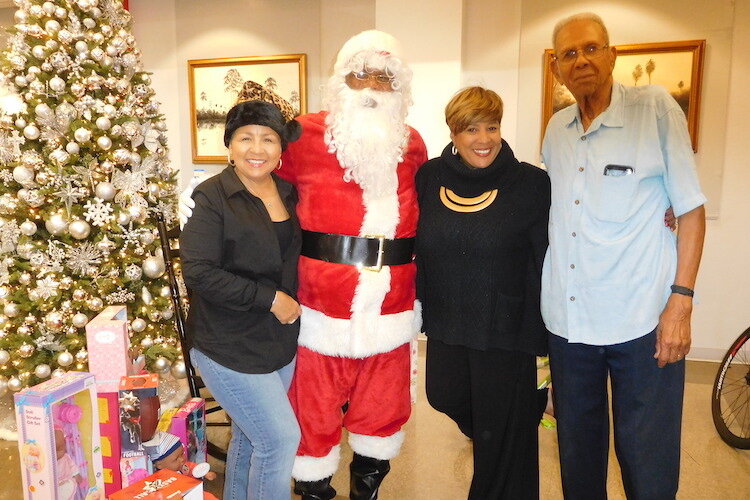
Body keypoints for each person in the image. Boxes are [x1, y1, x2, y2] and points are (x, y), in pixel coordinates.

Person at [181, 30, 426, 500]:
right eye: (359, 75)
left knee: (382, 407)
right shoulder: (305, 135)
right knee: (305, 417)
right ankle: (314, 491)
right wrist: (199, 201)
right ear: (341, 80)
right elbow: (252, 171)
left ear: (398, 88)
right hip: (315, 305)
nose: (371, 86)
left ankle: (367, 488)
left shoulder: (412, 144)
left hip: (392, 305)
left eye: (383, 77)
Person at [541, 12, 706, 499]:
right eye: (569, 54)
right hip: (569, 326)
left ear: (613, 55)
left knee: (647, 461)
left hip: (642, 321)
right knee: (578, 458)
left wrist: (681, 302)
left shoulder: (654, 109)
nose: (582, 60)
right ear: (557, 71)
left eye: (592, 48)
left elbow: (692, 210)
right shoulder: (556, 130)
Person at [416, 86, 550, 499]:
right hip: (446, 322)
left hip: (507, 330)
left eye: (492, 127)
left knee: (501, 440)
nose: (484, 139)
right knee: (443, 395)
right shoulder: (429, 177)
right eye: (471, 129)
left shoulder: (530, 182)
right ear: (454, 134)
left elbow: (547, 256)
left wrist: (548, 345)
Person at [180, 99, 303, 499]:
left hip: (276, 341)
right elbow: (199, 272)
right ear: (229, 145)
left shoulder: (288, 192)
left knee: (251, 440)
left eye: (268, 139)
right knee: (280, 440)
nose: (257, 148)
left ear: (281, 149)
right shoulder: (211, 196)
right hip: (226, 342)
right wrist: (269, 299)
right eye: (245, 137)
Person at [144, 431, 219, 500]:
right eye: (176, 459)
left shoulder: (182, 467)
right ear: (159, 465)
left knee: (208, 497)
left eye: (182, 454)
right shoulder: (158, 480)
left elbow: (192, 468)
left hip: (189, 492)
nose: (182, 459)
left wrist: (205, 473)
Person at [55, 427, 82, 500]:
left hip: (67, 481)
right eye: (54, 451)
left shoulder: (66, 457)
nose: (57, 454)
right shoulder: (48, 463)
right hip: (55, 485)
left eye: (60, 450)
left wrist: (76, 474)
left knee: (69, 492)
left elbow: (72, 465)